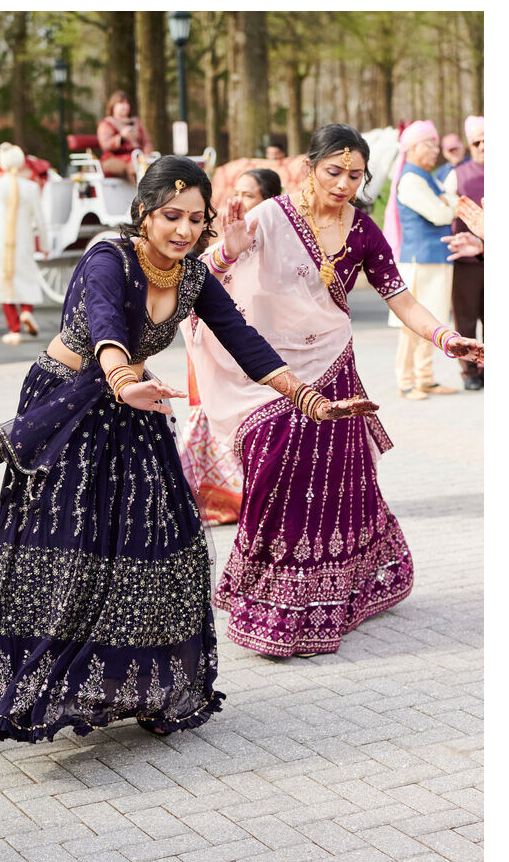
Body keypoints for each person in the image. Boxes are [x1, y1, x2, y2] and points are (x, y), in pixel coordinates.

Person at [0, 155, 378, 743]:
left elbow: (245, 341)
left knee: (167, 542)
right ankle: (41, 689)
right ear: (143, 213)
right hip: (72, 403)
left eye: (195, 219)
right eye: (170, 216)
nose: (183, 230)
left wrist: (308, 399)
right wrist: (125, 381)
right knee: (73, 550)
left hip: (138, 404)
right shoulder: (107, 256)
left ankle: (142, 685)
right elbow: (107, 326)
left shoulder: (193, 277)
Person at [188, 124, 483, 658]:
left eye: (355, 174)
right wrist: (228, 252)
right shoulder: (270, 217)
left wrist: (446, 337)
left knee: (339, 488)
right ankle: (270, 592)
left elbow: (400, 297)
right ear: (308, 167)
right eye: (334, 172)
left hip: (333, 368)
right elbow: (203, 281)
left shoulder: (365, 231)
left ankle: (332, 595)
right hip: (269, 370)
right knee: (276, 470)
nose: (345, 183)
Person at [180, 168, 282, 525]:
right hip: (223, 358)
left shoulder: (285, 247)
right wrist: (227, 253)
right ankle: (225, 499)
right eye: (234, 193)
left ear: (270, 203)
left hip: (268, 360)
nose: (237, 202)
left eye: (249, 195)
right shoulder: (218, 248)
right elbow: (197, 290)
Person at [382, 120, 458, 400]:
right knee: (412, 323)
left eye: (436, 143)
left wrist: (449, 204)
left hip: (436, 259)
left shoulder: (428, 176)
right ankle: (406, 381)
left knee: (433, 321)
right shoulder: (411, 178)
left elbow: (451, 202)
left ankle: (425, 378)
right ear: (412, 148)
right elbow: (442, 213)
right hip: (419, 261)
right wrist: (450, 206)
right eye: (430, 144)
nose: (435, 150)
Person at [0, 143, 49, 345]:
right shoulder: (31, 187)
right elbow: (40, 221)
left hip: (0, 240)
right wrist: (44, 244)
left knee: (3, 279)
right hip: (24, 240)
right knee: (26, 276)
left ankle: (14, 328)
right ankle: (27, 311)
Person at [442, 116, 484, 390]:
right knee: (466, 317)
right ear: (470, 145)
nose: (484, 146)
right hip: (466, 261)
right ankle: (470, 372)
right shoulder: (458, 174)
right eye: (478, 142)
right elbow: (443, 211)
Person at [97, 91, 153, 183]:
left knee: (153, 165)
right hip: (113, 158)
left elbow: (146, 142)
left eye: (127, 103)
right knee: (133, 168)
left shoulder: (136, 122)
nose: (125, 106)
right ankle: (140, 194)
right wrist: (121, 137)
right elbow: (106, 145)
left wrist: (147, 154)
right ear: (113, 106)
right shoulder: (107, 124)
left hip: (137, 157)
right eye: (121, 103)